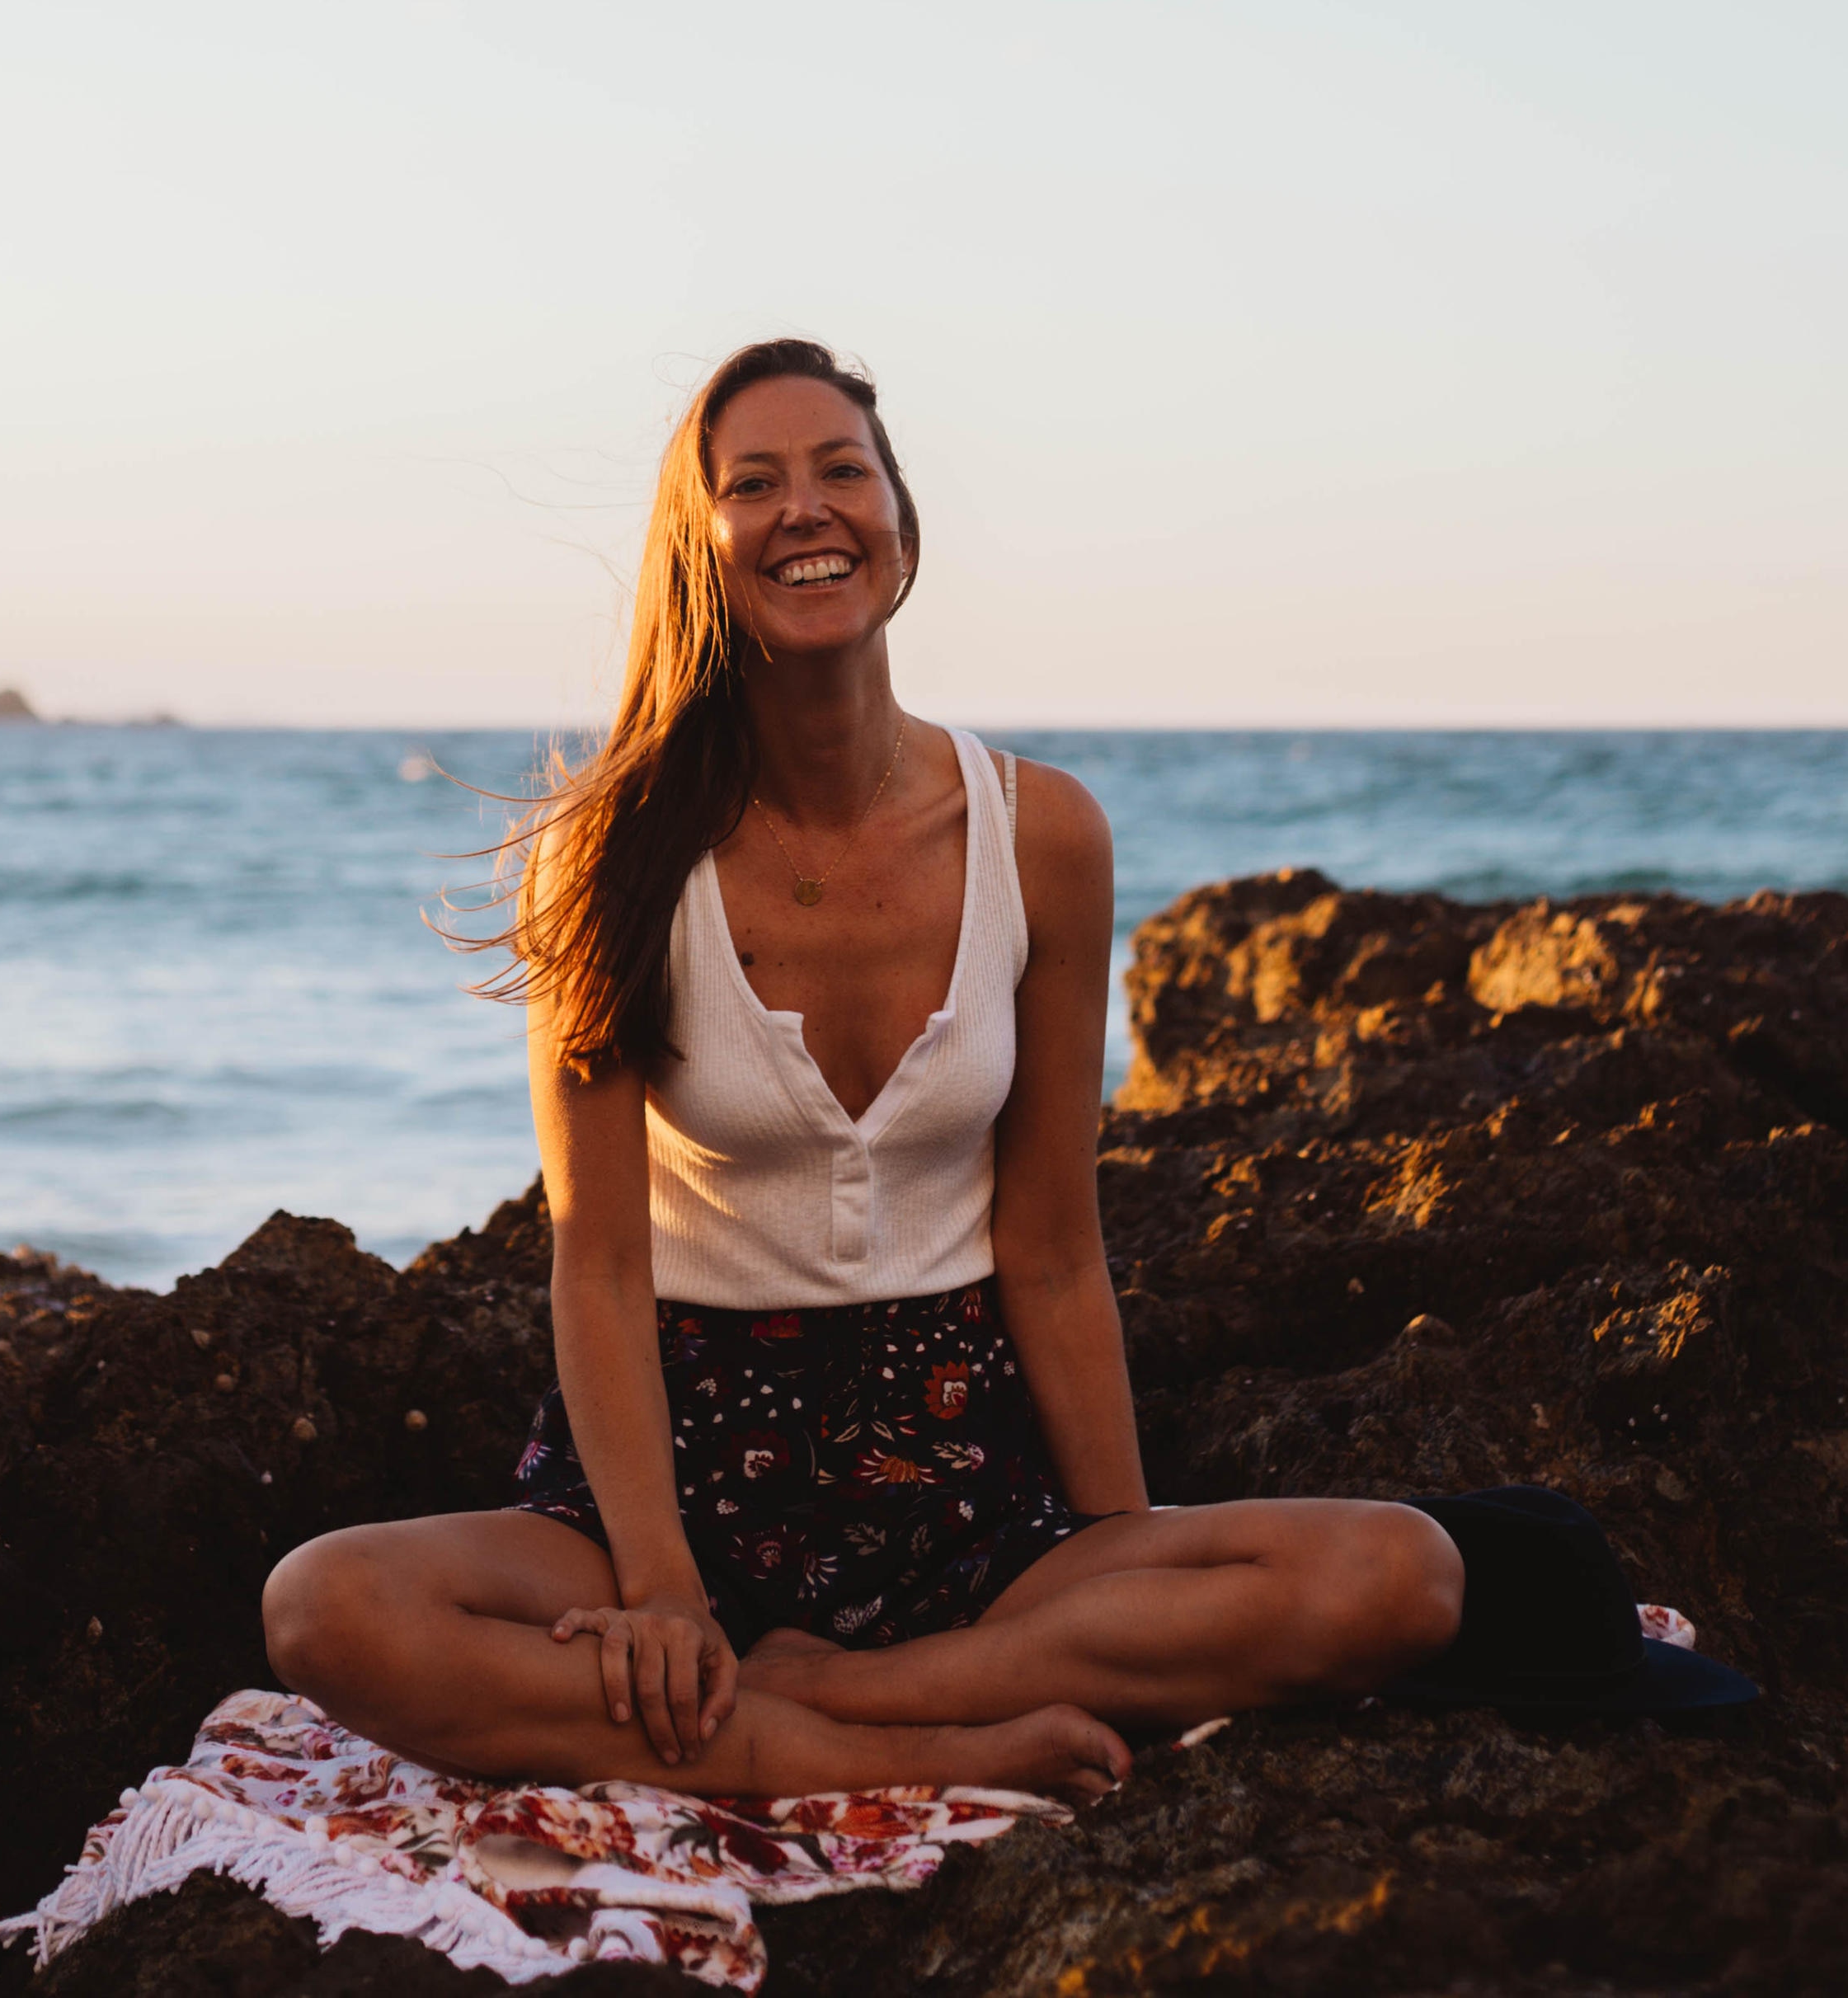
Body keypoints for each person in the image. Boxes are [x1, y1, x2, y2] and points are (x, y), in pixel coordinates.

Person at [264, 336, 1467, 1803]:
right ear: (700, 546)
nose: (806, 510)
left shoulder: (1044, 836)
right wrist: (662, 1593)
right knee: (328, 1609)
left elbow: (1050, 1245)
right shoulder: (609, 855)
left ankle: (852, 1697)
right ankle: (821, 1748)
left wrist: (1114, 1561)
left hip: (962, 1468)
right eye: (752, 483)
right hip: (677, 1462)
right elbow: (597, 1262)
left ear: (901, 523)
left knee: (1399, 1577)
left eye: (843, 470)